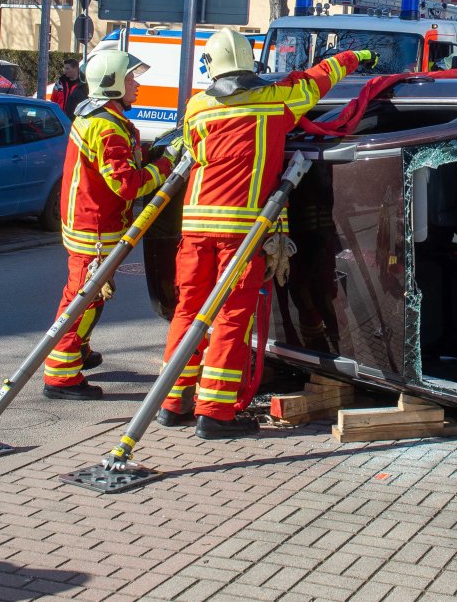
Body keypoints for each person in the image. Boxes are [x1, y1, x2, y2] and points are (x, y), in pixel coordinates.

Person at [158, 29, 373, 439]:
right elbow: (319, 77)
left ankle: (173, 402)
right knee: (231, 316)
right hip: (240, 229)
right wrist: (355, 56)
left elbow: (194, 150)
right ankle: (215, 414)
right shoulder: (274, 100)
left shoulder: (197, 107)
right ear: (250, 64)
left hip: (195, 227)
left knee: (189, 312)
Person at [43, 51, 176, 399]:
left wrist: (154, 153)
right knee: (83, 298)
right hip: (95, 229)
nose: (138, 85)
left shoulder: (104, 117)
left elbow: (121, 163)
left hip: (92, 223)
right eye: (132, 79)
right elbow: (127, 184)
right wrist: (167, 166)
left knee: (90, 295)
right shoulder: (104, 125)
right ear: (113, 83)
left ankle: (77, 350)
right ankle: (61, 374)